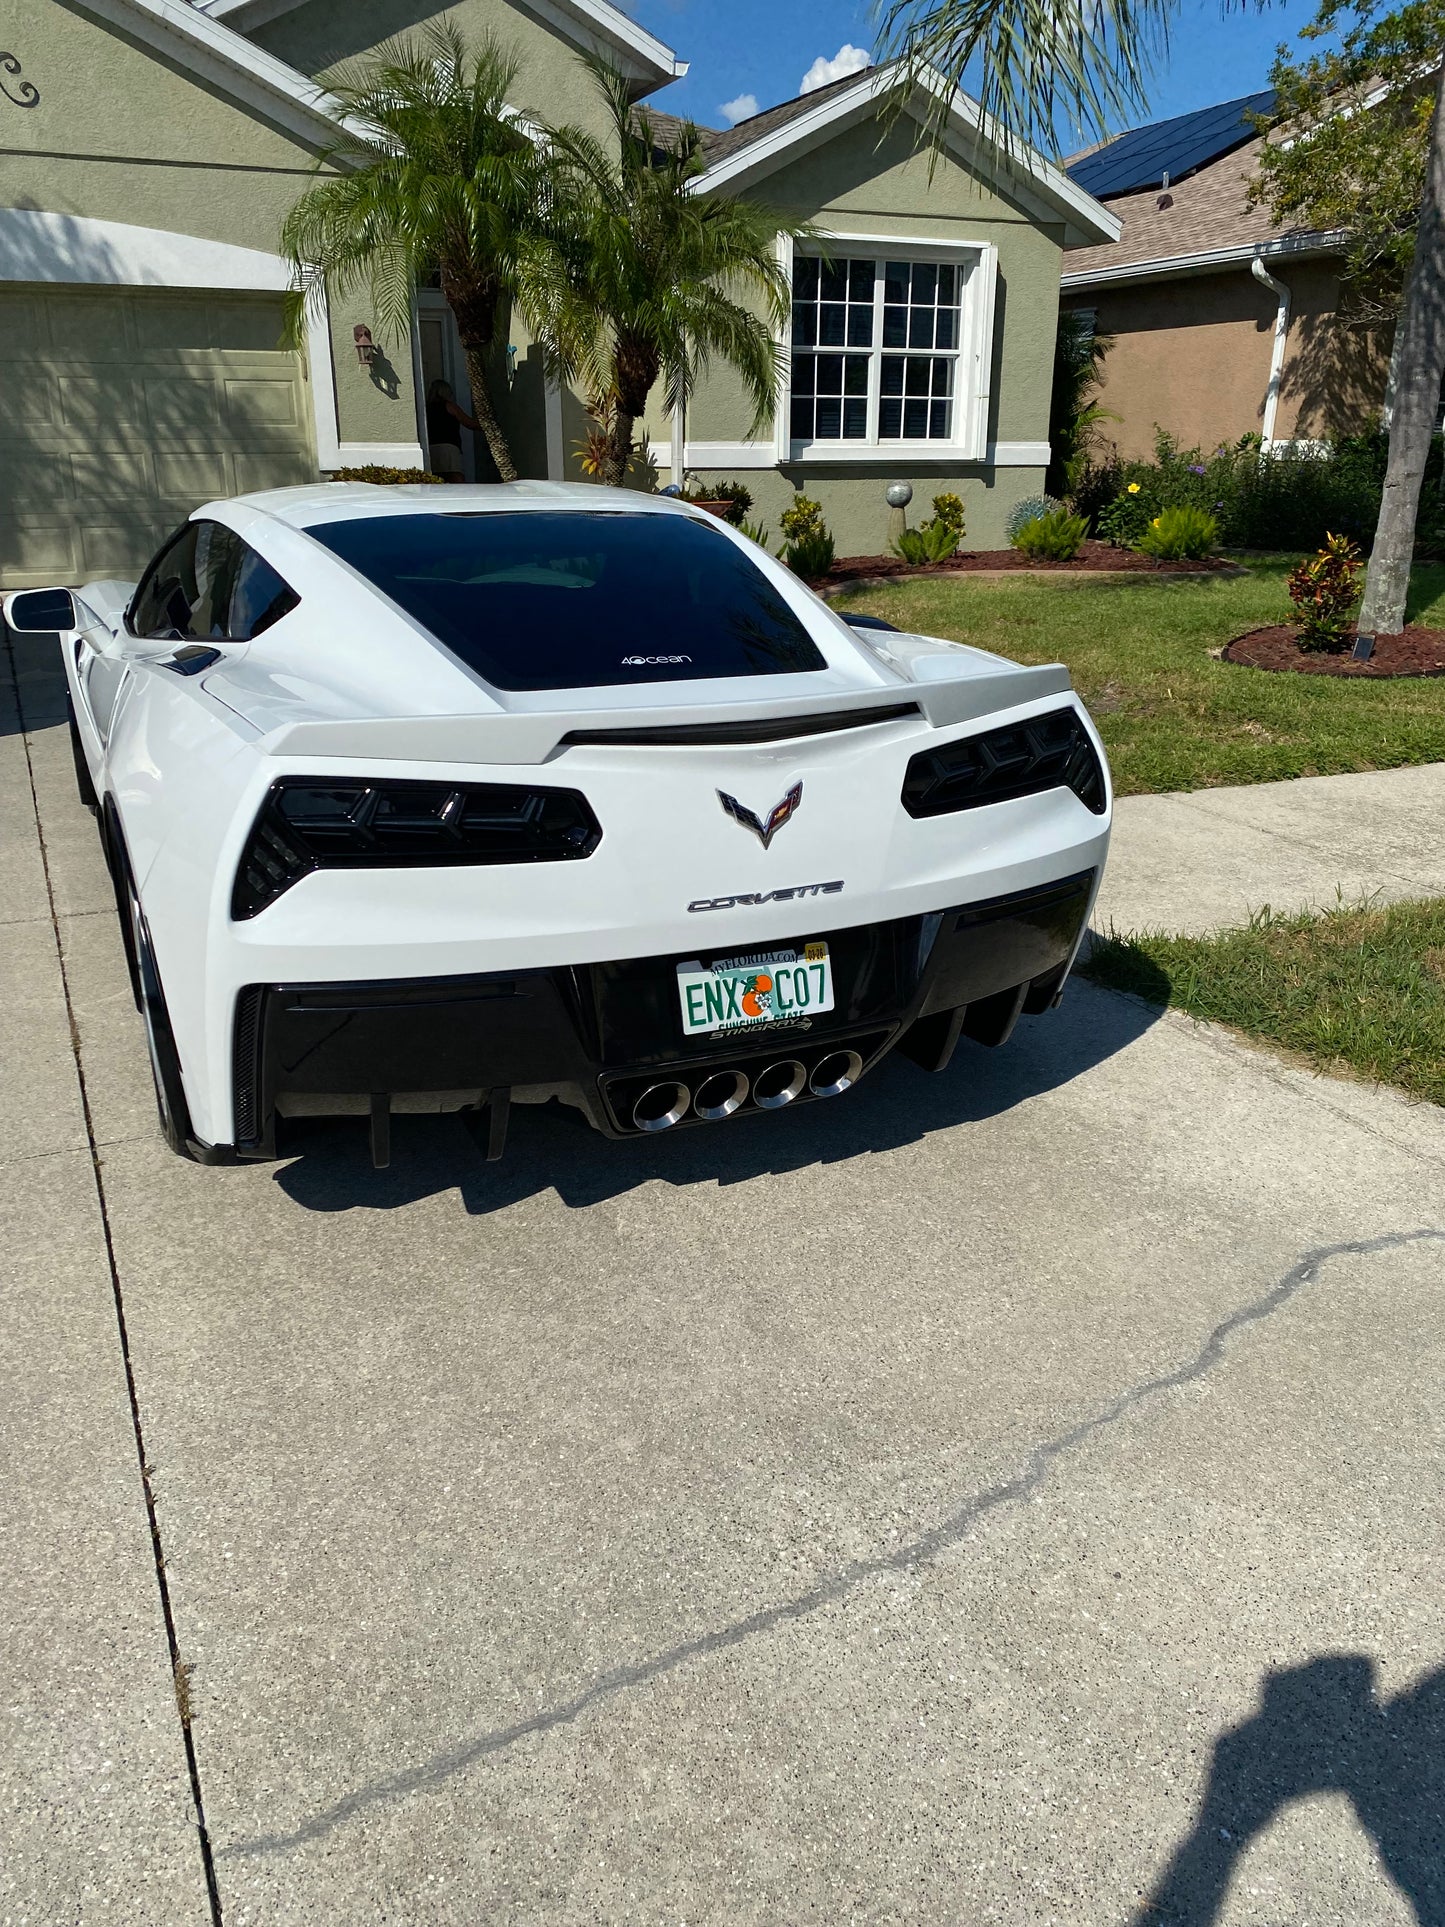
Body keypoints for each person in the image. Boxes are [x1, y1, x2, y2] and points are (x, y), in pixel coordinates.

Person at [425, 379, 480, 482]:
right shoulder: (449, 406)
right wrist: (488, 426)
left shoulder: (426, 409)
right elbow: (468, 423)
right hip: (448, 448)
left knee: (437, 479)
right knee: (455, 478)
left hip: (431, 448)